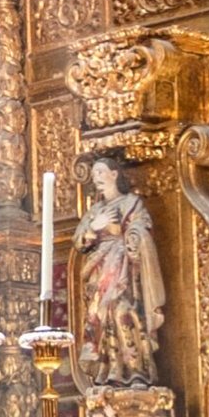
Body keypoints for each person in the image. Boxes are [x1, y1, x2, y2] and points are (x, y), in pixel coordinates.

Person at [72, 155, 166, 386]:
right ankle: (110, 370)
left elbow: (142, 228)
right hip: (99, 270)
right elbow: (79, 242)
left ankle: (136, 370)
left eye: (100, 172)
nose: (96, 178)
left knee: (123, 312)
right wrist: (94, 227)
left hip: (125, 268)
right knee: (100, 317)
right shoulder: (95, 211)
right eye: (94, 174)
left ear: (114, 175)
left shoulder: (131, 203)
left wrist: (123, 234)